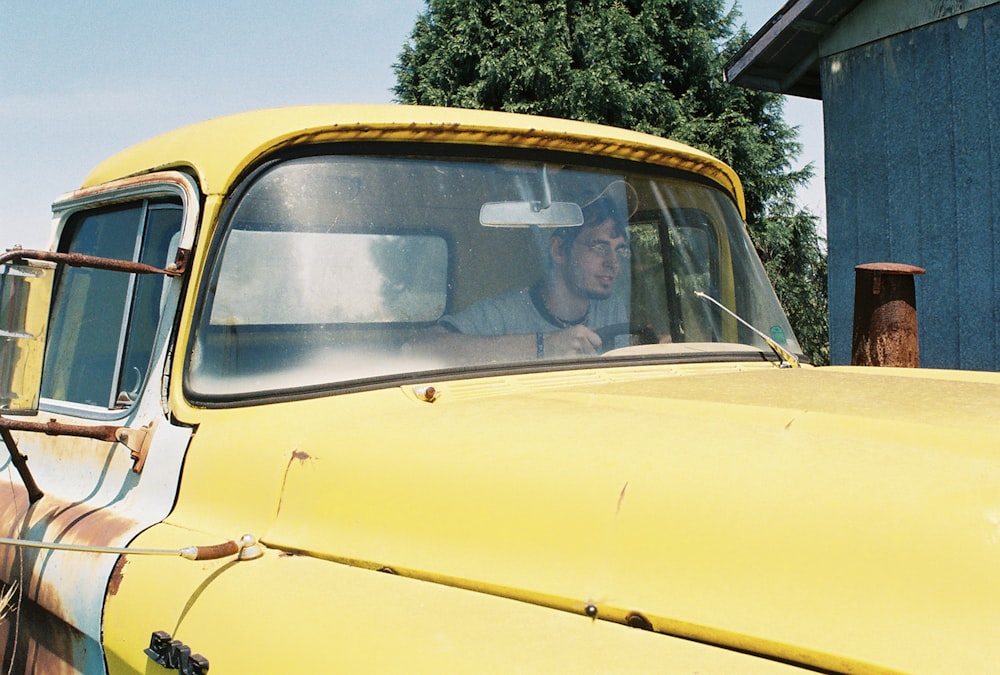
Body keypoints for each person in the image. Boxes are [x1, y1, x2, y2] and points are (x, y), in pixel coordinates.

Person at [410, 196, 629, 362]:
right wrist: (545, 345)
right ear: (559, 249)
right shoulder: (503, 314)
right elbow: (418, 349)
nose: (613, 262)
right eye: (599, 247)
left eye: (619, 250)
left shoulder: (612, 308)